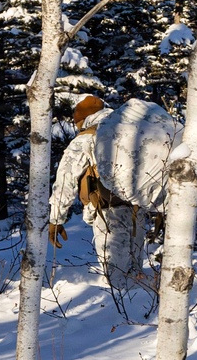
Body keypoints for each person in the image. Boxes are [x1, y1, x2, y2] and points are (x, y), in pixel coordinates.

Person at [49, 95, 148, 292]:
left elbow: (66, 180)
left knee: (117, 280)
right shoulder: (131, 130)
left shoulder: (86, 138)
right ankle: (144, 314)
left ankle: (121, 318)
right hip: (139, 209)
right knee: (137, 276)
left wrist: (56, 219)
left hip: (109, 211)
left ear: (83, 119)